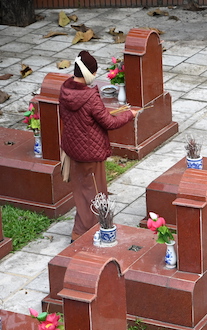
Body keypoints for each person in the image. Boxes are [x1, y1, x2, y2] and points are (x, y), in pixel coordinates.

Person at [59, 50, 137, 241]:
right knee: (96, 194)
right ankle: (86, 234)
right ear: (88, 73)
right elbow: (109, 123)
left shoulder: (65, 90)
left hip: (73, 150)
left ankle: (79, 232)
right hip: (91, 153)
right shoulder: (90, 97)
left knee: (81, 193)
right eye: (94, 72)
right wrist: (130, 114)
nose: (95, 76)